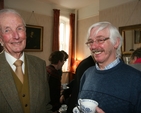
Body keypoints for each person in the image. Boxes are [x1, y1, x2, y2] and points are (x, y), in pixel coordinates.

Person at [78, 22, 141, 113]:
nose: (94, 46)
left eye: (100, 40)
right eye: (91, 41)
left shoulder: (136, 80)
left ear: (116, 42)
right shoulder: (87, 74)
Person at [0, 9, 52, 113]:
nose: (16, 36)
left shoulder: (40, 64)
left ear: (25, 33)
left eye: (19, 28)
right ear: (0, 38)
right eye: (7, 30)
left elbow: (46, 106)